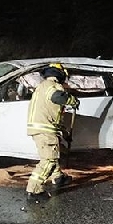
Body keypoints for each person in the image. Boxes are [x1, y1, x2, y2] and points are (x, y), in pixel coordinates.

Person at [25, 63, 80, 201]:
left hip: (41, 128)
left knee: (53, 154)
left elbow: (52, 115)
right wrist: (72, 100)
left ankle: (58, 177)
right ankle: (34, 190)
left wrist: (64, 132)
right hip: (44, 130)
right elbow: (57, 97)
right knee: (48, 160)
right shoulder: (53, 86)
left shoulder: (41, 87)